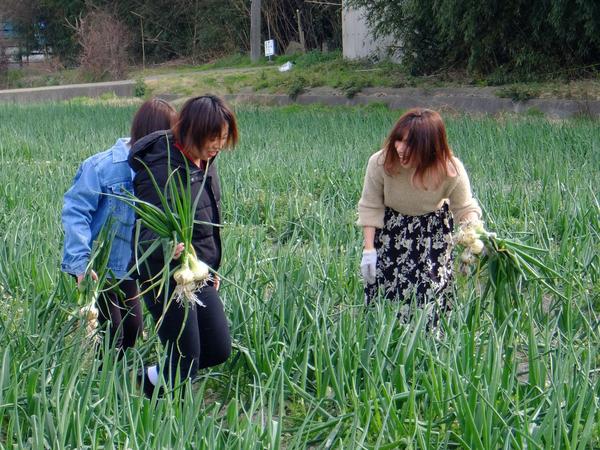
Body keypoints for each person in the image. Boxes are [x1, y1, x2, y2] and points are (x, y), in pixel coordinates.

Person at [129, 95, 237, 396]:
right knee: (185, 360)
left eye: (223, 139)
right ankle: (157, 411)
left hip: (196, 272)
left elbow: (206, 221)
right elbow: (145, 229)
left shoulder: (206, 162)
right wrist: (167, 248)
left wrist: (210, 266)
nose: (218, 146)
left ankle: (145, 378)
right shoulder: (162, 167)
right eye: (214, 138)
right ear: (192, 131)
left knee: (217, 349)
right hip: (163, 277)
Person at [62, 98, 177, 356]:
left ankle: (113, 377)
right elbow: (76, 213)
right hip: (97, 265)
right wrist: (80, 262)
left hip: (129, 265)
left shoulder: (162, 169)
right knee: (116, 327)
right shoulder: (103, 167)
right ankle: (104, 379)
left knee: (132, 328)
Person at [357, 108, 482, 323]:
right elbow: (371, 206)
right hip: (391, 230)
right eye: (398, 140)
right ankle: (385, 339)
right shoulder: (380, 163)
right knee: (386, 288)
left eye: (409, 144)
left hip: (431, 232)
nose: (400, 149)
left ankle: (428, 342)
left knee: (429, 290)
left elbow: (464, 208)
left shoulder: (450, 169)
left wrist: (475, 235)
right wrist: (369, 250)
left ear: (429, 148)